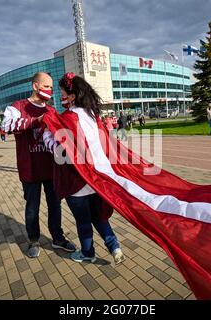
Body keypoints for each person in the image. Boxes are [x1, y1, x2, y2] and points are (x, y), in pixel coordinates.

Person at [43, 72, 125, 265]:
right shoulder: (92, 115)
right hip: (97, 178)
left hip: (77, 179)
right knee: (99, 217)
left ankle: (88, 253)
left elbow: (61, 150)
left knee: (83, 221)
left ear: (72, 96)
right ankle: (114, 246)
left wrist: (47, 133)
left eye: (62, 92)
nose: (60, 96)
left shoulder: (69, 117)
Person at [1, 71, 76, 258]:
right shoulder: (17, 106)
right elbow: (6, 126)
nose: (50, 90)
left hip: (52, 169)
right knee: (32, 207)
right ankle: (33, 240)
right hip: (30, 169)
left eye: (51, 87)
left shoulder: (51, 110)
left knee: (55, 205)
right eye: (46, 86)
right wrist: (36, 120)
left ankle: (58, 238)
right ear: (35, 86)